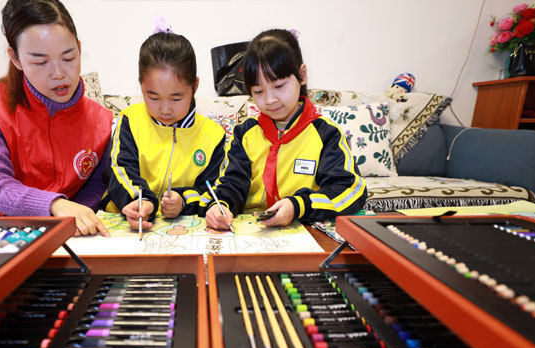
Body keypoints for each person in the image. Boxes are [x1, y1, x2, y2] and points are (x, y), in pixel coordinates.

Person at [0, 0, 113, 236]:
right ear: (15, 59)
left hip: (64, 233)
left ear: (79, 49)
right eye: (41, 62)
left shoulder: (101, 121)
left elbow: (95, 185)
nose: (59, 74)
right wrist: (55, 205)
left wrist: (75, 219)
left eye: (68, 58)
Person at [205, 29, 367, 230]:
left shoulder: (327, 134)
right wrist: (220, 205)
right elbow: (231, 183)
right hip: (253, 233)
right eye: (258, 91)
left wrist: (298, 205)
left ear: (302, 75)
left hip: (307, 231)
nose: (269, 99)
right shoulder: (244, 134)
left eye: (279, 86)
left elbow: (349, 191)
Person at [102, 29, 226, 231]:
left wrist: (182, 200)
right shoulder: (131, 120)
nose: (165, 109)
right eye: (153, 97)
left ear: (194, 86)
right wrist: (141, 200)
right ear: (141, 85)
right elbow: (120, 170)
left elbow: (211, 189)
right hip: (125, 217)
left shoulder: (213, 135)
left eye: (176, 98)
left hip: (182, 227)